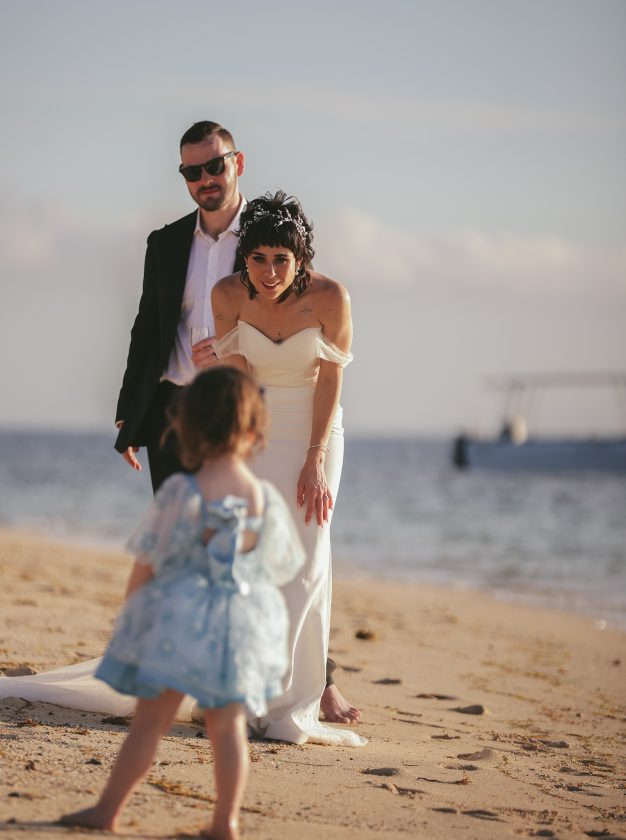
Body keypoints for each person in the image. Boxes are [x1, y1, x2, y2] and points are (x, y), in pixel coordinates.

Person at [60, 367, 305, 840]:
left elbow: (147, 563)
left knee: (150, 722)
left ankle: (108, 810)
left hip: (178, 626)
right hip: (237, 628)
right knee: (228, 726)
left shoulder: (181, 492)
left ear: (187, 427)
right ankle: (225, 822)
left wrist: (132, 613)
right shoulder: (263, 499)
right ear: (255, 432)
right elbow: (278, 568)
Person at [211, 191, 365, 747]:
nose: (271, 272)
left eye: (282, 259)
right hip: (259, 429)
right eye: (259, 258)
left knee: (307, 557)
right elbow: (238, 378)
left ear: (301, 258)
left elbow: (330, 378)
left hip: (316, 432)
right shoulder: (226, 295)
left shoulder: (330, 298)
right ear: (243, 259)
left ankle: (296, 701)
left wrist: (313, 459)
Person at [114, 120, 246, 493]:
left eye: (215, 166)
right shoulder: (164, 243)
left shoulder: (270, 239)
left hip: (240, 409)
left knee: (230, 534)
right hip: (172, 412)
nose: (205, 179)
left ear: (239, 163)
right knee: (176, 537)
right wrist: (129, 411)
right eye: (192, 172)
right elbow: (147, 328)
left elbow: (294, 321)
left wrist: (233, 353)